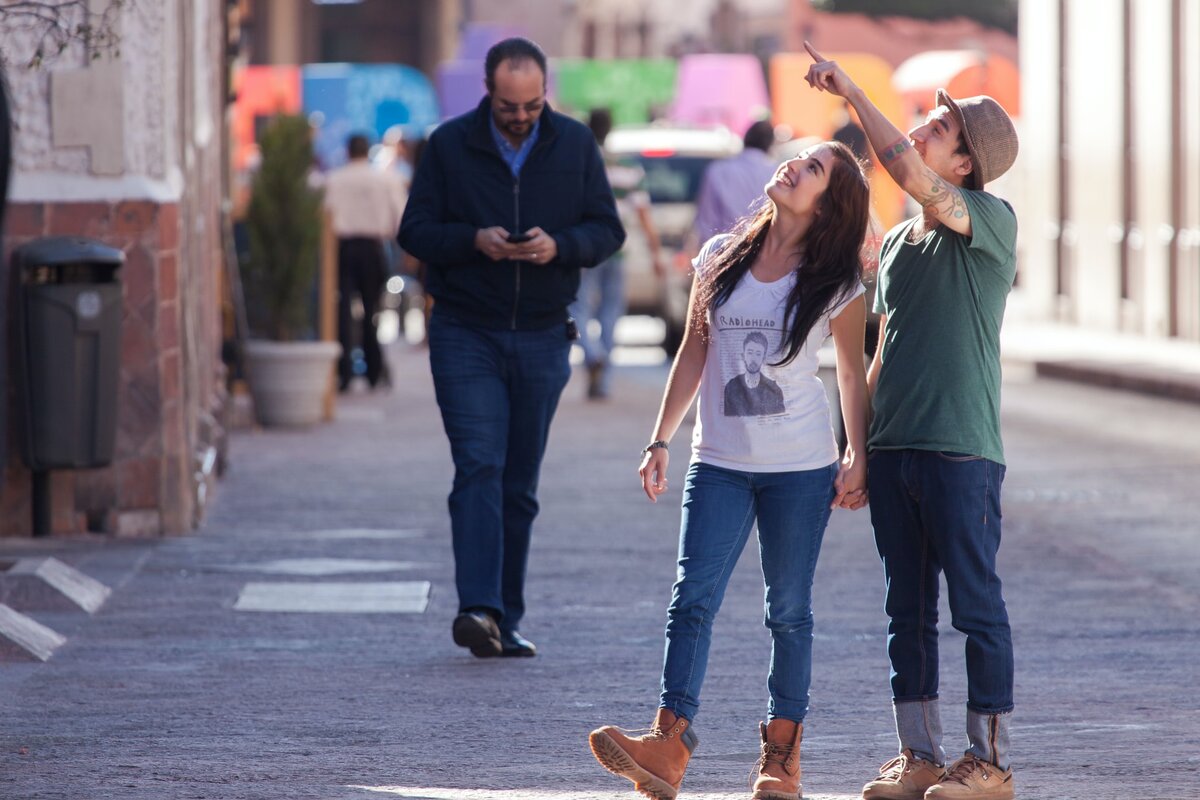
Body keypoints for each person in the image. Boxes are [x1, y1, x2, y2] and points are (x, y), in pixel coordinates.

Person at [589, 140, 872, 800]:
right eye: (797, 159)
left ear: (828, 206)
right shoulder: (720, 255)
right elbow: (694, 349)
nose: (792, 167)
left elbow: (854, 375)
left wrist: (858, 452)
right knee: (692, 600)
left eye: (812, 172)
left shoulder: (835, 281)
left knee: (789, 612)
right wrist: (659, 438)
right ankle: (667, 746)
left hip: (800, 468)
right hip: (716, 461)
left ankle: (781, 758)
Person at [804, 42, 1020, 800]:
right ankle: (920, 757)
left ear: (963, 166)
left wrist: (851, 91)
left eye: (937, 129)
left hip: (962, 451)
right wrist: (854, 451)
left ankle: (988, 762)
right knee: (907, 614)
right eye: (927, 121)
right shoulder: (897, 242)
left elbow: (904, 169)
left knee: (976, 606)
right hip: (894, 452)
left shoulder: (989, 219)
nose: (922, 130)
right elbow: (879, 352)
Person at [397, 37, 623, 659]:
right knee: (478, 465)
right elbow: (413, 231)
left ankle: (506, 616)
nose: (520, 117)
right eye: (508, 107)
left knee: (519, 484)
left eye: (530, 105)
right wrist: (475, 240)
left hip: (545, 335)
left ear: (545, 92)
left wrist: (560, 246)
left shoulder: (575, 144)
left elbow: (608, 230)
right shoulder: (447, 144)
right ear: (488, 94)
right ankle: (478, 607)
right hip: (465, 330)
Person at [569, 107, 665, 399]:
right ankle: (604, 378)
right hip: (618, 248)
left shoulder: (580, 165)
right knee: (611, 313)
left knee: (578, 308)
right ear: (610, 129)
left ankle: (592, 353)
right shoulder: (628, 168)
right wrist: (656, 253)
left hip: (585, 249)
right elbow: (644, 215)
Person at [323, 132, 407, 391]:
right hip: (373, 249)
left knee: (342, 311)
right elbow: (401, 217)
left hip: (343, 249)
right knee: (372, 311)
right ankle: (374, 369)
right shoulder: (386, 180)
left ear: (348, 152)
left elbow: (324, 215)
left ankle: (344, 373)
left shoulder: (334, 180)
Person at [692, 118, 778, 245]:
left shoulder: (718, 170)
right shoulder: (776, 172)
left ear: (745, 139)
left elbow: (706, 219)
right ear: (770, 144)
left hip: (723, 249)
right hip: (763, 248)